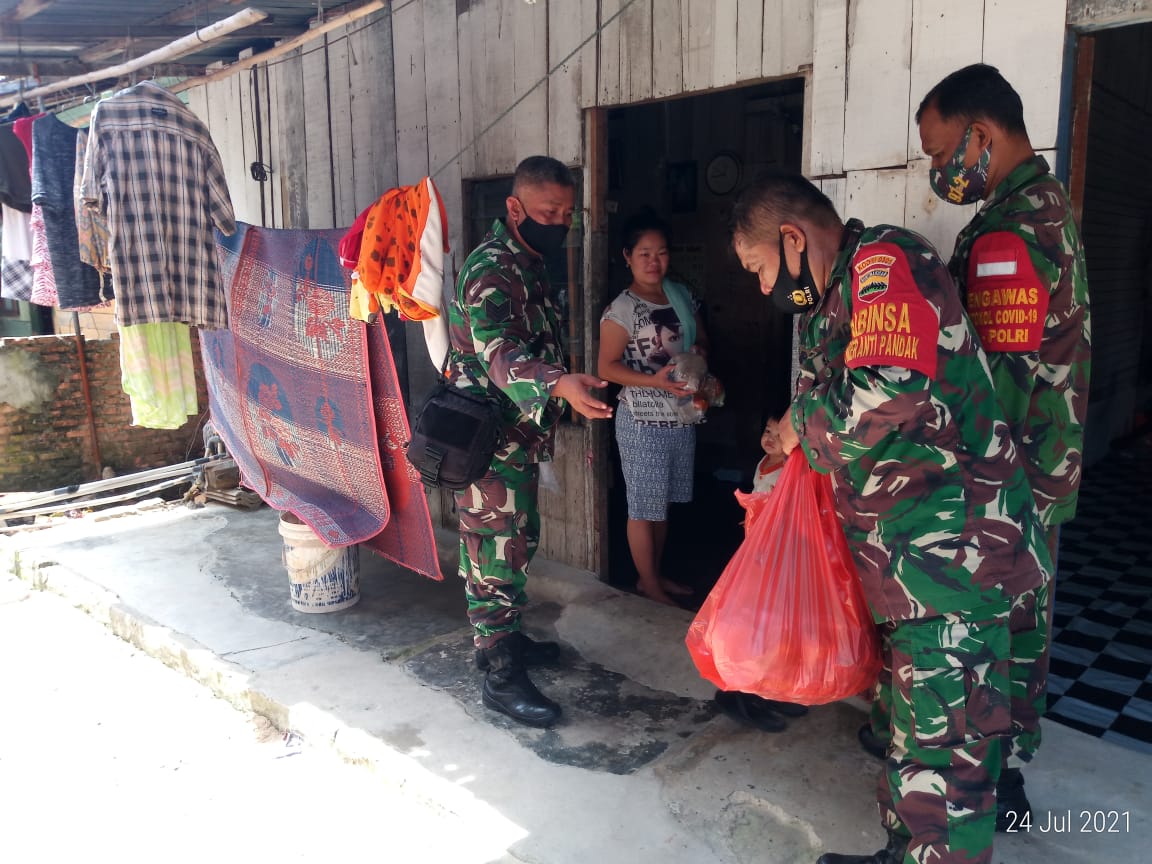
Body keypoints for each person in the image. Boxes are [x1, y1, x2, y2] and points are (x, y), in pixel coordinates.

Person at [731, 174, 1051, 864]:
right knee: (914, 740)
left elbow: (889, 391)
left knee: (946, 763)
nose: (763, 290)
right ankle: (902, 850)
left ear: (792, 239)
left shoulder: (883, 264)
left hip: (955, 561)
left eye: (759, 269)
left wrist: (797, 428)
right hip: (911, 564)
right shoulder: (839, 295)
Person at [847, 63, 1087, 830]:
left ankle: (971, 795)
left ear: (981, 135)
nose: (936, 170)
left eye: (940, 149)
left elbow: (991, 390)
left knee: (981, 648)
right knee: (1008, 637)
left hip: (1001, 491)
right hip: (1035, 484)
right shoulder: (1042, 208)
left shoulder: (1007, 240)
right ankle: (993, 779)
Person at [448, 155, 612, 728]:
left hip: (514, 437)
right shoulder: (493, 268)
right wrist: (559, 383)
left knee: (517, 543)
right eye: (549, 211)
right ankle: (497, 670)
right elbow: (500, 357)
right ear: (515, 208)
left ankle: (508, 641)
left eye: (567, 212)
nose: (561, 221)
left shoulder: (529, 261)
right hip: (486, 443)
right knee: (494, 552)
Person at [597, 210, 707, 606]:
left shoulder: (682, 296)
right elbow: (605, 368)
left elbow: (702, 343)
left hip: (681, 417)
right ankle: (649, 582)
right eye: (644, 253)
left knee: (662, 505)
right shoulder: (621, 310)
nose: (653, 261)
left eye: (660, 253)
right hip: (641, 420)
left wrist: (698, 364)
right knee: (643, 506)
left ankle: (653, 577)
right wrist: (655, 381)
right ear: (627, 256)